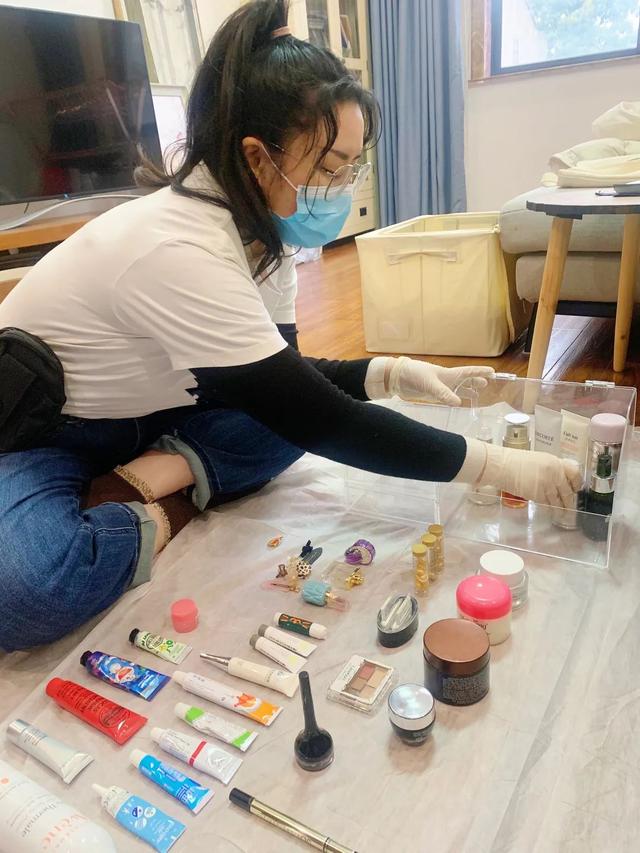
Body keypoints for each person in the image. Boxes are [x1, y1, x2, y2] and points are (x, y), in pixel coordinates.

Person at [0, 0, 580, 652]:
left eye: (351, 168)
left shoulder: (263, 236)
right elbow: (320, 418)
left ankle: (162, 471)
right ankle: (171, 496)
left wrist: (388, 373)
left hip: (159, 410)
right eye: (330, 169)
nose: (341, 186)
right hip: (50, 431)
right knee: (27, 589)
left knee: (282, 419)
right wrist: (499, 466)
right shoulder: (177, 245)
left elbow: (289, 378)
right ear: (256, 157)